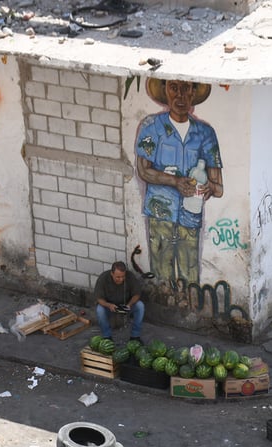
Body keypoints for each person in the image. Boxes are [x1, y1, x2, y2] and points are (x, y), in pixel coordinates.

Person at [135, 78, 223, 285]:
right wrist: (175, 181)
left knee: (189, 271)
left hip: (190, 214)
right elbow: (143, 170)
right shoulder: (151, 127)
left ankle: (189, 306)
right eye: (174, 88)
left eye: (186, 89)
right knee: (161, 273)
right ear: (165, 91)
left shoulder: (205, 133)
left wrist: (211, 186)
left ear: (193, 92)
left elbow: (218, 187)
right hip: (160, 210)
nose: (180, 95)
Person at [95, 261, 144, 343]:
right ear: (112, 273)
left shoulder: (130, 276)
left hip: (126, 305)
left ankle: (135, 336)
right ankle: (107, 337)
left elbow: (137, 294)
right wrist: (109, 305)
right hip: (110, 306)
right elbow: (99, 298)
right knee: (100, 310)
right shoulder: (103, 278)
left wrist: (129, 305)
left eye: (123, 276)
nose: (121, 279)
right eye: (118, 277)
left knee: (140, 306)